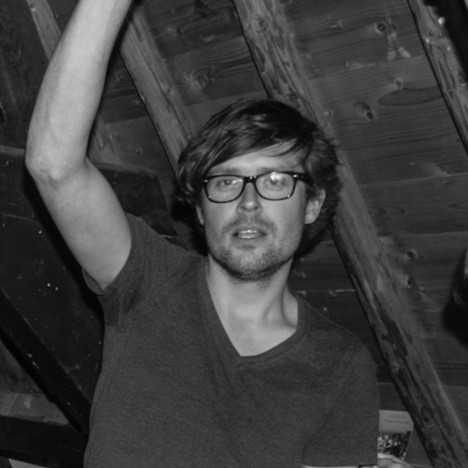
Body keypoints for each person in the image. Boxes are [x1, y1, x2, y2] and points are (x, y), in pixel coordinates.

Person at [25, 0, 413, 467]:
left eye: (275, 181)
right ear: (200, 209)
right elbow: (54, 166)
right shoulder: (145, 280)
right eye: (226, 182)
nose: (248, 203)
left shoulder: (340, 365)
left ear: (311, 204)